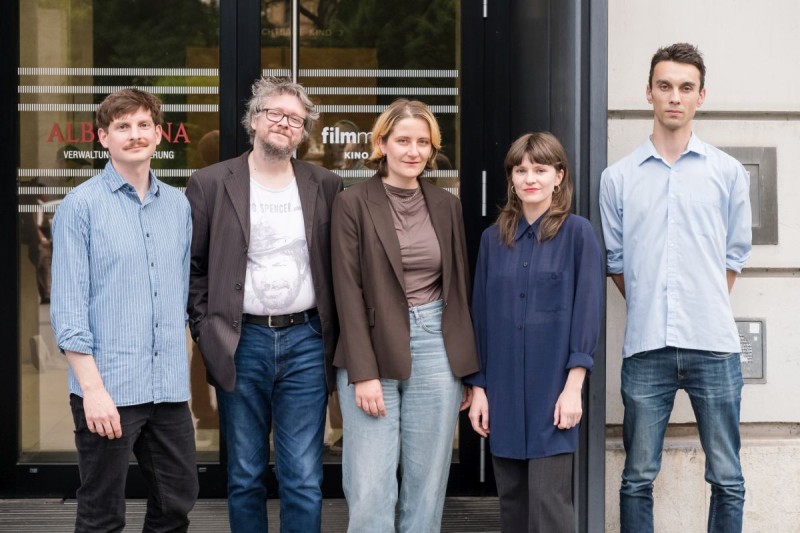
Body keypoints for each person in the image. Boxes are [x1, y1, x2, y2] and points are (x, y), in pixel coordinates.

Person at [599, 43, 752, 533]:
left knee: (727, 478)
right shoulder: (617, 179)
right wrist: (652, 303)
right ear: (648, 92)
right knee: (637, 477)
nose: (674, 96)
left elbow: (734, 256)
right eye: (664, 86)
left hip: (715, 347)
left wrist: (699, 300)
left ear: (701, 96)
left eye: (686, 87)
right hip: (646, 348)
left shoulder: (727, 172)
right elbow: (616, 263)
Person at [186, 77, 342, 532]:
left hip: (307, 341)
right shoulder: (211, 183)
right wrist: (206, 328)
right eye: (274, 113)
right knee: (245, 475)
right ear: (254, 120)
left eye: (295, 119)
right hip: (242, 341)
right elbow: (194, 268)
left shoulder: (325, 184)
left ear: (303, 132)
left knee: (304, 477)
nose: (284, 124)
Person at [50, 88, 197, 532]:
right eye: (122, 127)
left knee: (177, 503)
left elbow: (182, 297)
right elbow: (69, 309)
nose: (135, 135)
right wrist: (92, 391)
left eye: (143, 125)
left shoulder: (178, 205)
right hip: (108, 388)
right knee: (101, 513)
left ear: (158, 133)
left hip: (168, 389)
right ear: (103, 138)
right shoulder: (81, 206)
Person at [331, 99, 479, 532]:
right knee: (371, 483)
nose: (413, 151)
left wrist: (468, 369)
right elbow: (347, 291)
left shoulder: (446, 205)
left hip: (436, 346)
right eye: (403, 141)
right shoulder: (352, 203)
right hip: (372, 348)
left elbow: (459, 291)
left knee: (427, 482)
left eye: (423, 143)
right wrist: (363, 371)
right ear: (382, 144)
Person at [466, 132, 603, 532]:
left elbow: (588, 311)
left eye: (540, 169)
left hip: (553, 393)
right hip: (504, 393)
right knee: (512, 503)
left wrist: (573, 386)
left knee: (550, 505)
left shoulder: (578, 234)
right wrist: (480, 389)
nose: (530, 178)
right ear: (510, 178)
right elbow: (481, 316)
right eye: (521, 170)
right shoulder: (494, 240)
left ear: (558, 176)